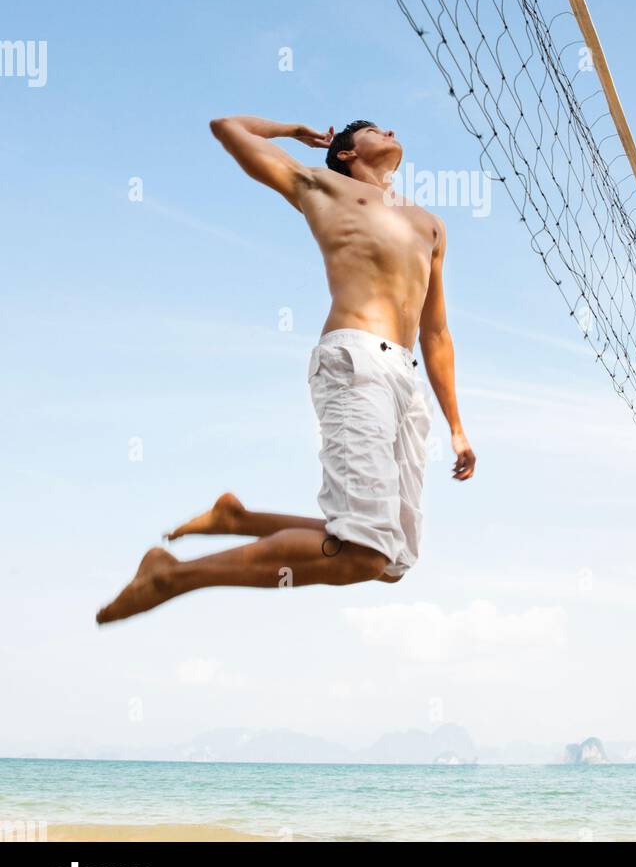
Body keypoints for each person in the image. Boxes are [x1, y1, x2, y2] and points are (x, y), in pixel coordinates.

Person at [96, 117, 475, 624]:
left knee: (394, 558)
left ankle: (239, 518)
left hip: (405, 381)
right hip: (354, 358)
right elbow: (227, 127)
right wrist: (293, 131)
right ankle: (171, 575)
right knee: (365, 550)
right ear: (344, 152)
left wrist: (456, 427)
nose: (389, 130)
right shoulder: (320, 185)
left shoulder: (431, 225)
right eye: (372, 128)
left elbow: (437, 334)